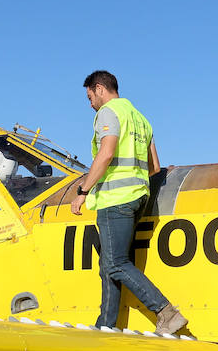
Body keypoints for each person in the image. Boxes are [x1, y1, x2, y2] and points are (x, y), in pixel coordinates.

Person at [71, 70, 187, 335]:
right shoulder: (140, 119)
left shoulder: (108, 113)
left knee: (115, 263)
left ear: (100, 88)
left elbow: (106, 152)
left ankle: (165, 312)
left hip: (115, 199)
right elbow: (155, 166)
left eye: (90, 97)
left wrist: (83, 190)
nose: (90, 104)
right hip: (138, 197)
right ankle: (106, 326)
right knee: (109, 264)